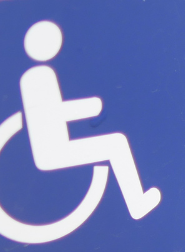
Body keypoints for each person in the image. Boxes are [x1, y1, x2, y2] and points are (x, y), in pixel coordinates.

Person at [19, 19, 161, 219]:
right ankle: (137, 204)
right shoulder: (37, 77)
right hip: (52, 151)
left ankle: (137, 202)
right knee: (115, 143)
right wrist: (90, 106)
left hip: (59, 144)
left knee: (116, 142)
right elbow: (49, 114)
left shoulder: (39, 74)